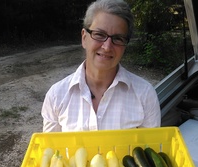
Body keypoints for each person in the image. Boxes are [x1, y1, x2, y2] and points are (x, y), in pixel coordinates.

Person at [41, 0, 161, 132]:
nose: (107, 47)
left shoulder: (145, 94)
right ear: (84, 37)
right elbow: (51, 150)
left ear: (125, 45)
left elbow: (151, 149)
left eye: (118, 38)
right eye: (99, 34)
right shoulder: (56, 95)